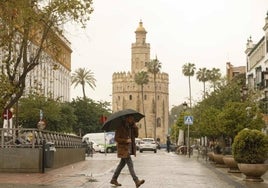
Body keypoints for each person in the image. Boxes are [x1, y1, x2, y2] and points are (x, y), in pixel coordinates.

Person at [110, 115, 145, 187]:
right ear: (127, 118)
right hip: (123, 149)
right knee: (130, 165)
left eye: (133, 119)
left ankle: (114, 179)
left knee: (121, 165)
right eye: (131, 118)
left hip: (129, 148)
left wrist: (135, 127)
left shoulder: (131, 127)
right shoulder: (120, 127)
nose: (132, 120)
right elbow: (116, 138)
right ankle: (136, 181)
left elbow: (136, 135)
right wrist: (125, 140)